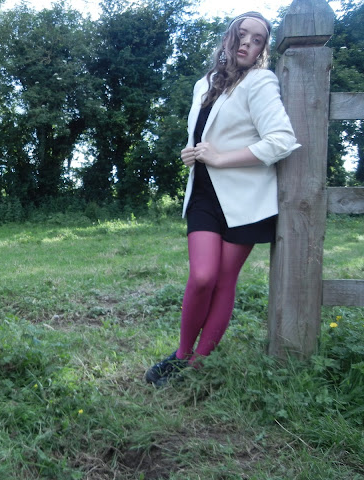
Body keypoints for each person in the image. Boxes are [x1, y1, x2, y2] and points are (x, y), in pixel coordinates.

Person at [145, 11, 300, 387]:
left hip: (246, 199)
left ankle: (198, 365)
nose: (247, 42)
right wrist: (191, 152)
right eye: (242, 34)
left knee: (224, 280)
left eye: (258, 39)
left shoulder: (261, 82)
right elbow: (206, 133)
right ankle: (181, 356)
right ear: (229, 38)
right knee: (202, 277)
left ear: (262, 50)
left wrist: (219, 158)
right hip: (203, 192)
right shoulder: (204, 84)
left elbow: (281, 140)